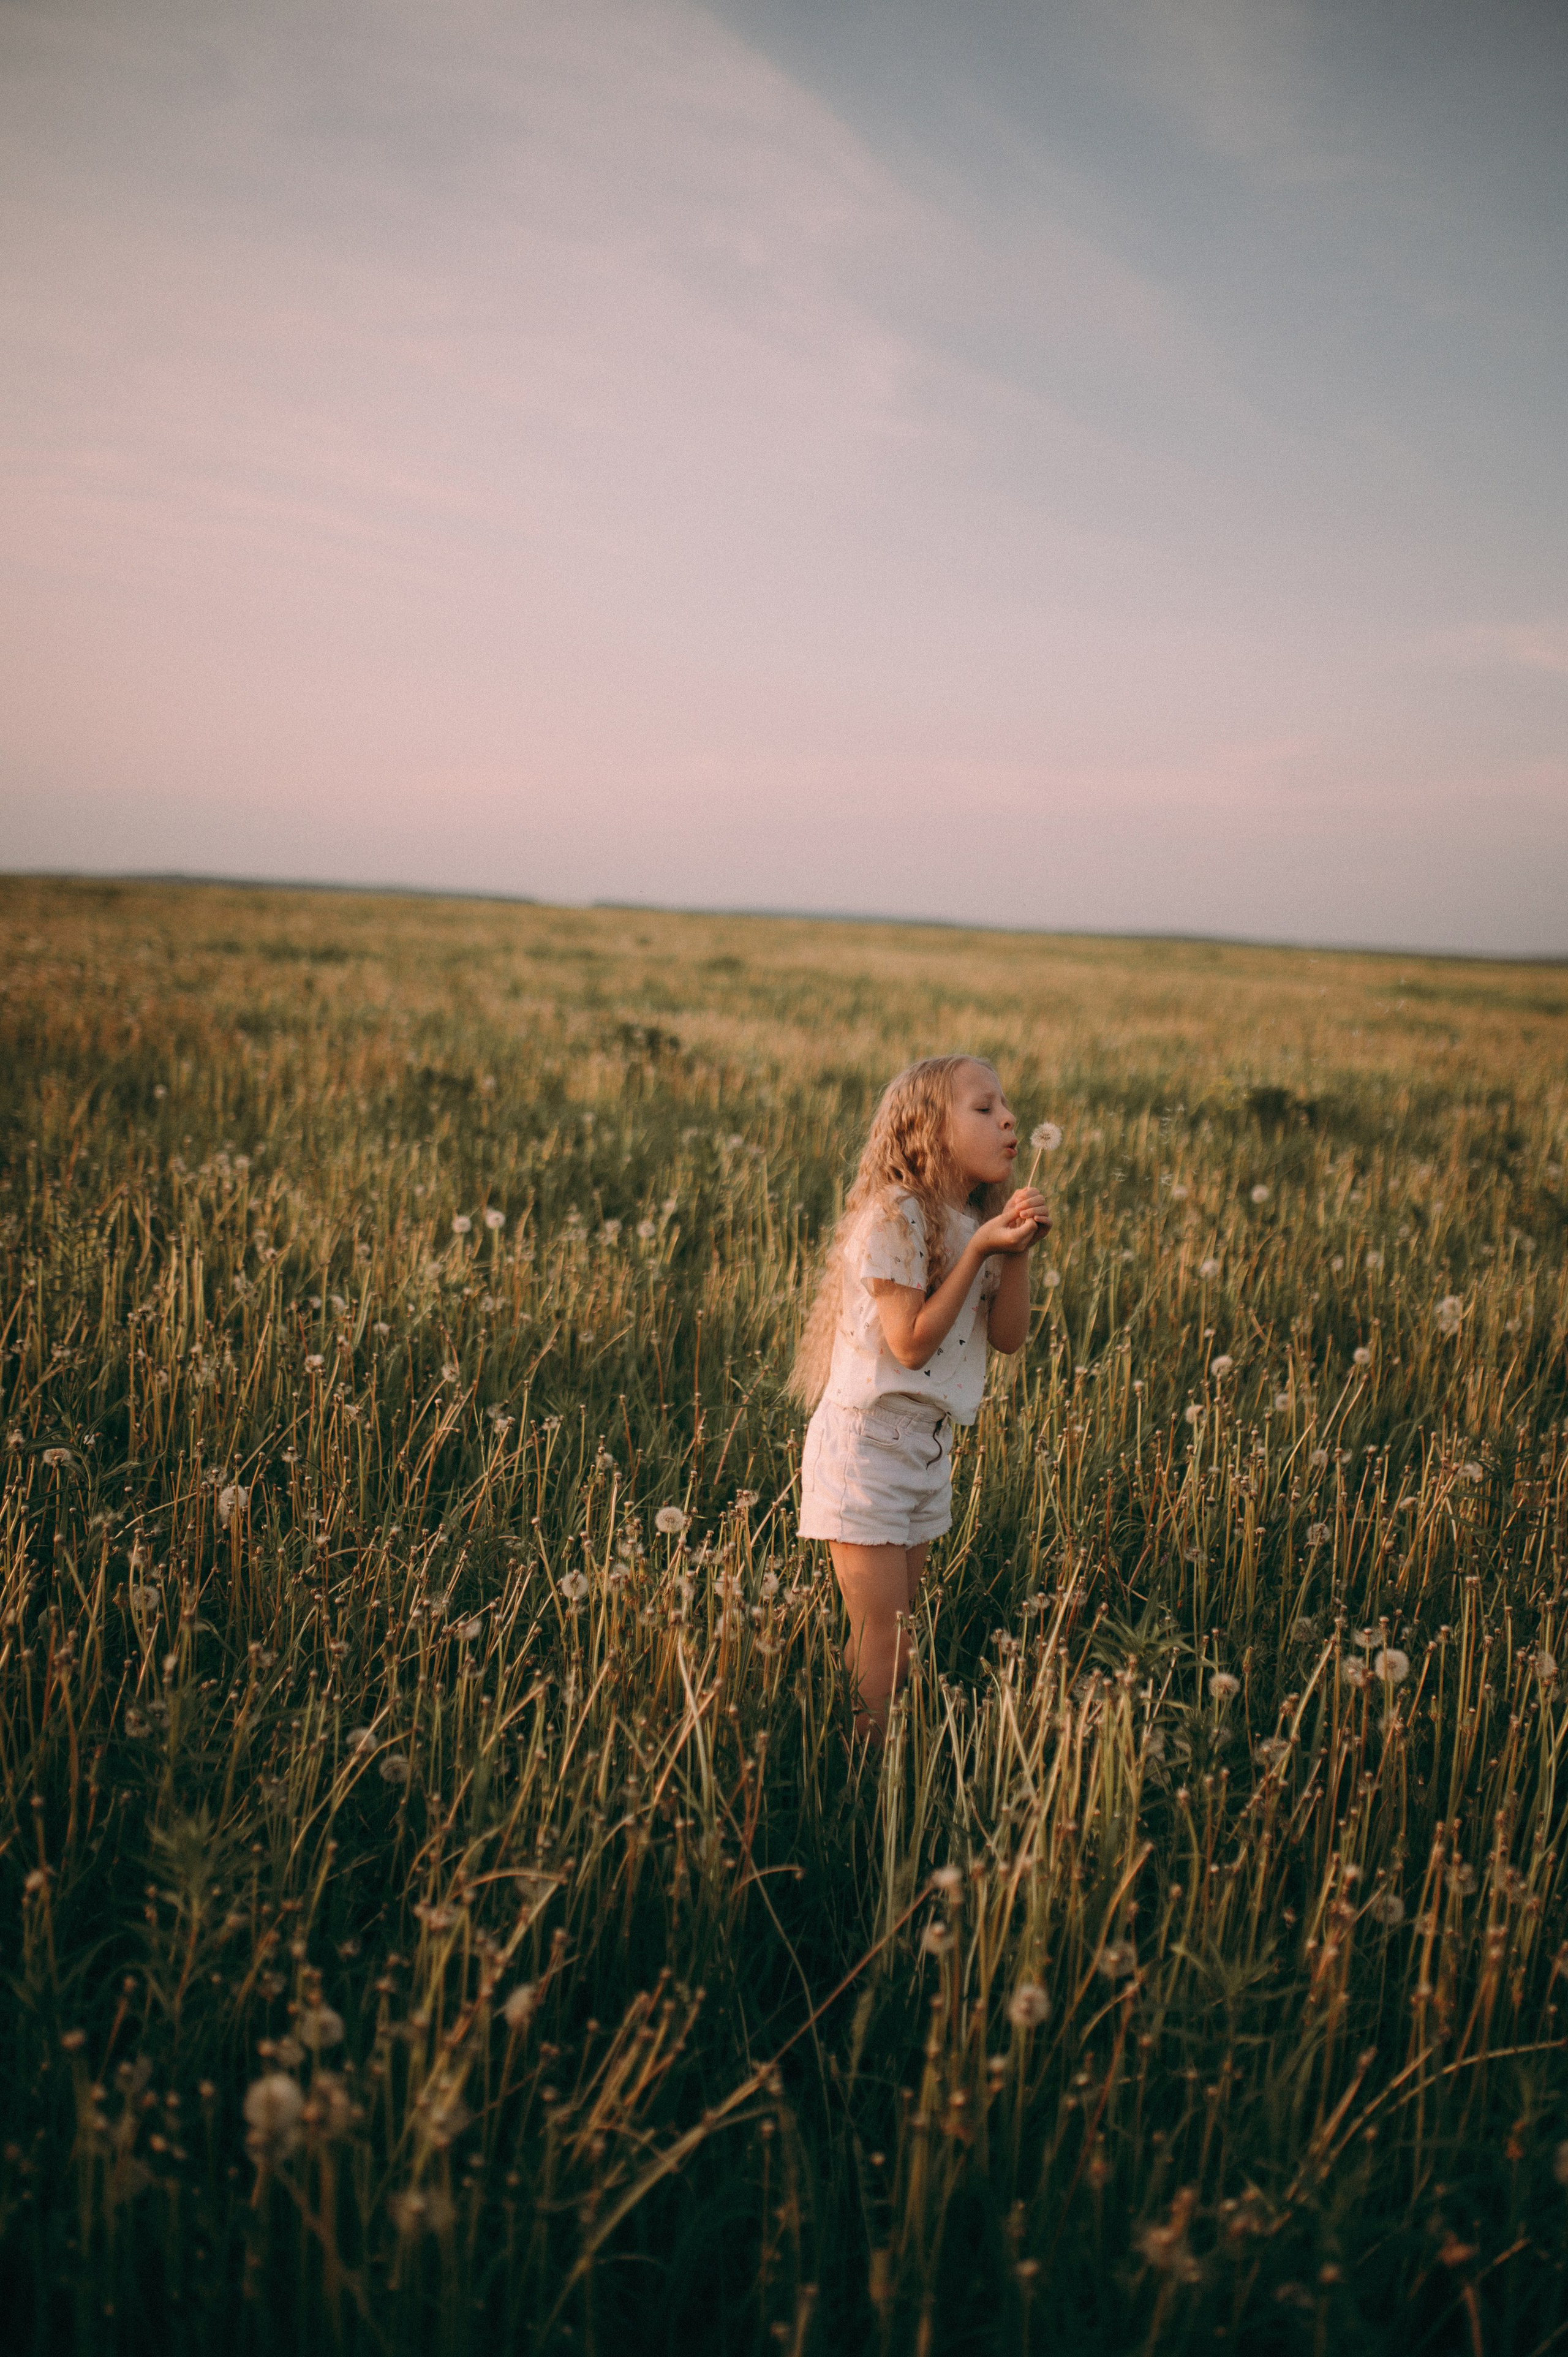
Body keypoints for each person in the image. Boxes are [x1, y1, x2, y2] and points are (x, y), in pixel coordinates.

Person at [790, 1055, 1050, 1740]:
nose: (1008, 1118)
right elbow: (908, 1344)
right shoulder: (896, 1215)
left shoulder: (972, 1221)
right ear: (929, 1130)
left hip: (928, 1448)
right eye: (984, 1107)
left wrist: (1014, 1252)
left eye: (1005, 1105)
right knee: (886, 1642)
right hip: (866, 1447)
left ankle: (860, 1764)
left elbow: (1009, 1337)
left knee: (893, 1637)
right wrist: (977, 1255)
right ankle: (862, 1791)